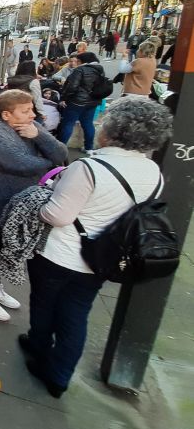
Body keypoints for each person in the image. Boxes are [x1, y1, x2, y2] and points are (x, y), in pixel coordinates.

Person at [22, 98, 170, 397]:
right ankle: (60, 376)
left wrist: (40, 200)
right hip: (102, 257)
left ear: (114, 130)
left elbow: (58, 215)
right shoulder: (153, 172)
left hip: (60, 254)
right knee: (76, 314)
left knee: (44, 303)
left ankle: (39, 349)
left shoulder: (89, 167)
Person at [0, 90, 67, 322]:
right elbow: (20, 163)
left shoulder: (30, 127)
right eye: (25, 111)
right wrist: (49, 162)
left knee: (2, 248)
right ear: (6, 114)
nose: (32, 114)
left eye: (31, 109)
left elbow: (61, 153)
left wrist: (39, 137)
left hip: (14, 205)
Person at [59, 52, 108, 153]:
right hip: (92, 102)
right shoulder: (100, 70)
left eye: (77, 61)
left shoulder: (80, 70)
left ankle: (60, 148)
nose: (76, 63)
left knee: (68, 123)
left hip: (76, 102)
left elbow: (72, 87)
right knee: (88, 124)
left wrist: (65, 98)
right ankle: (89, 148)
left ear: (82, 61)